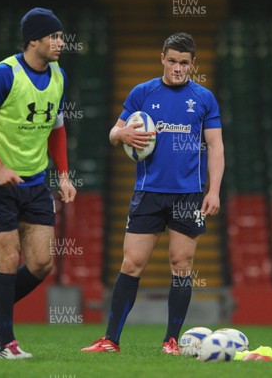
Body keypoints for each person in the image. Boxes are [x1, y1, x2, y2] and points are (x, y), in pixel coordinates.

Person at [80, 32, 224, 354]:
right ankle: (110, 340)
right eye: (172, 61)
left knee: (181, 264)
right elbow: (114, 133)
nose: (177, 68)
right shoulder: (142, 93)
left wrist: (213, 191)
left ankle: (171, 341)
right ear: (162, 58)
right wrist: (123, 134)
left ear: (193, 64)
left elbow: (215, 146)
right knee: (131, 264)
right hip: (148, 192)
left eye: (184, 63)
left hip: (188, 195)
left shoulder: (204, 98)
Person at [0, 7, 76, 359]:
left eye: (61, 35)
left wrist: (63, 174)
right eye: (54, 36)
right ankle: (6, 342)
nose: (61, 42)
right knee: (8, 259)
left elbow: (56, 129)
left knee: (43, 263)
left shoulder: (58, 76)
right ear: (33, 40)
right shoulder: (3, 75)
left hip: (34, 181)